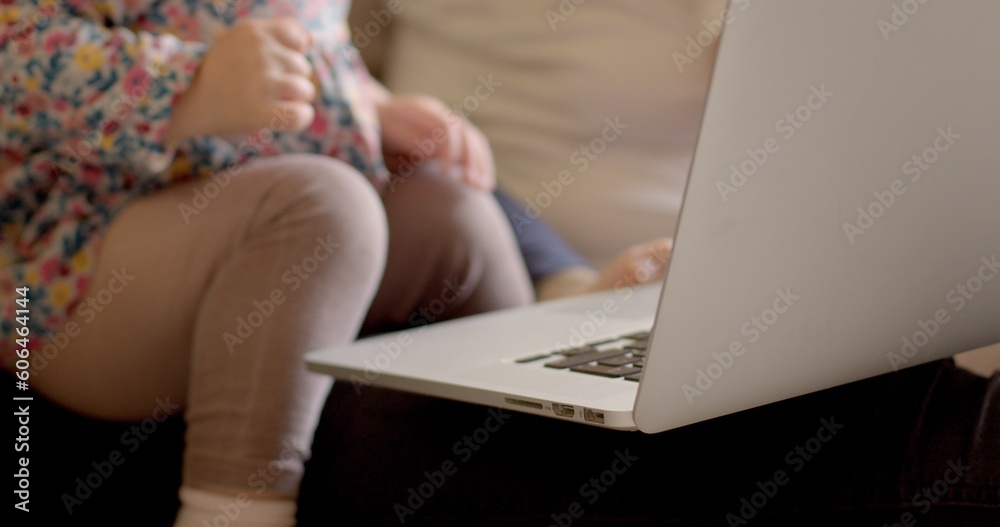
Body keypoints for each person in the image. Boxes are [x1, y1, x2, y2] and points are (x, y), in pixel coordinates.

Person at [0, 1, 568, 525]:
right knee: (323, 207)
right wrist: (188, 88)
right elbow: (15, 48)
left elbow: (308, 35)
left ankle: (548, 445)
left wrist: (370, 105)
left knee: (454, 211)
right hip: (70, 264)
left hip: (280, 210)